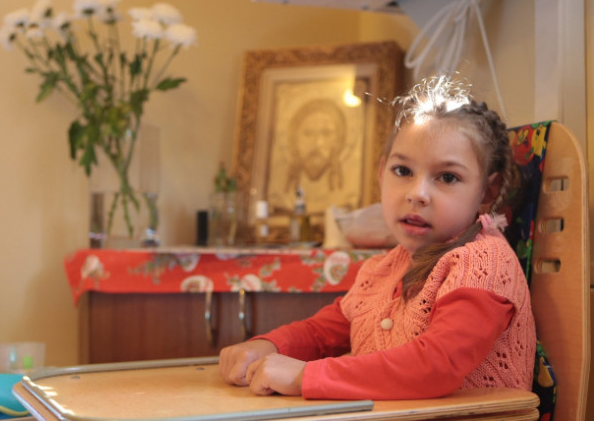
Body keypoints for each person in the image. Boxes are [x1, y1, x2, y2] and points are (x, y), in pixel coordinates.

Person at [219, 75, 536, 400]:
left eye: (447, 177)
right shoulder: (383, 269)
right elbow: (322, 333)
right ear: (381, 172)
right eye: (403, 171)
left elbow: (436, 365)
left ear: (488, 191)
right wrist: (268, 346)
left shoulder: (485, 264)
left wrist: (304, 376)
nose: (417, 194)